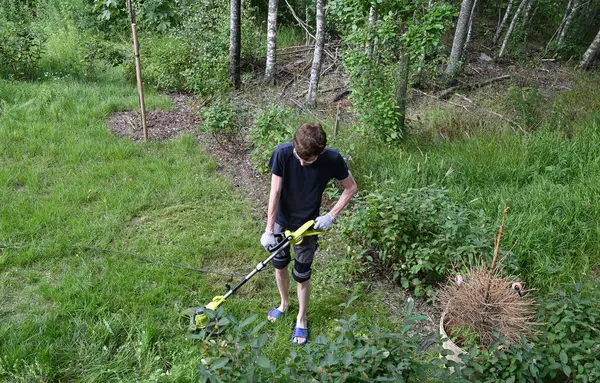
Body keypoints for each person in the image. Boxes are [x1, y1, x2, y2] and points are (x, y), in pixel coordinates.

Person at [260, 123, 358, 345]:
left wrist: (331, 215)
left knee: (302, 274)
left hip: (308, 227)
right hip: (281, 222)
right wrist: (268, 229)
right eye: (299, 157)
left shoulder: (332, 159)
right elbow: (275, 192)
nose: (302, 162)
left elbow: (351, 187)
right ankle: (284, 304)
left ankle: (301, 318)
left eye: (309, 160)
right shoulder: (282, 153)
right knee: (279, 265)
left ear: (321, 152)